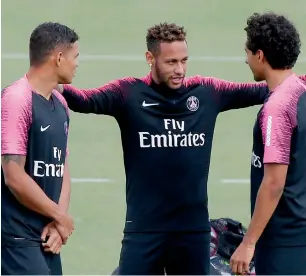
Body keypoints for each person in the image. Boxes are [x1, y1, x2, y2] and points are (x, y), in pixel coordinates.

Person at [59, 22, 305, 275]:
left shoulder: (208, 92)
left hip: (193, 232)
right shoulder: (127, 93)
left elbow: (269, 88)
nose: (179, 70)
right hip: (144, 230)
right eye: (171, 62)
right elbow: (83, 100)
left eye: (184, 61)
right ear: (150, 58)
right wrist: (53, 81)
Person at [229, 12, 306, 275]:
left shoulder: (277, 108)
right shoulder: (301, 91)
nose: (246, 59)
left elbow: (274, 183)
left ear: (260, 55)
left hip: (283, 243)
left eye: (248, 52)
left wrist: (248, 243)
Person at [1, 22, 79, 275]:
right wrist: (60, 216)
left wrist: (58, 222)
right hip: (15, 238)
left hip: (47, 238)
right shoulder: (16, 99)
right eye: (74, 57)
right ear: (58, 58)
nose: (77, 64)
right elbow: (13, 175)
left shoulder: (60, 103)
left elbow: (62, 167)